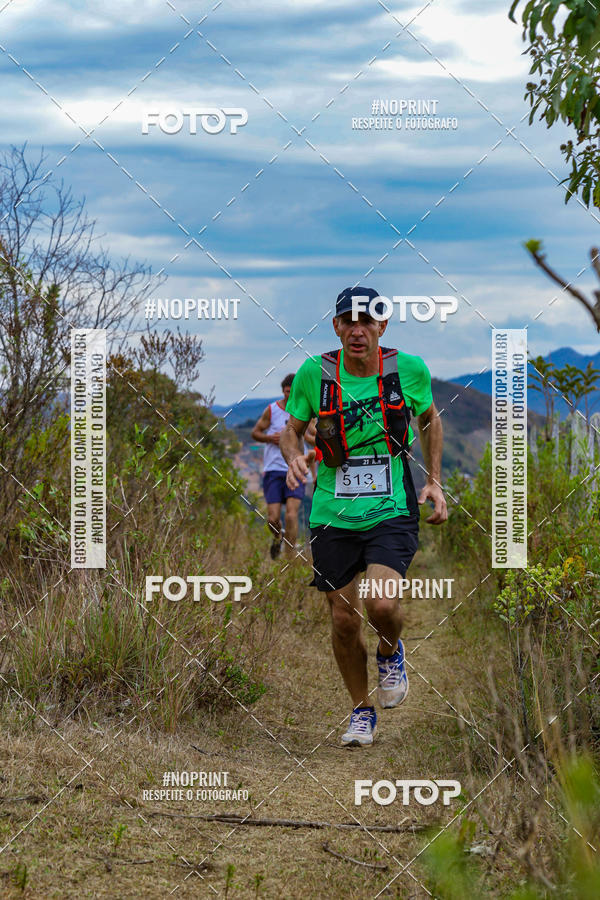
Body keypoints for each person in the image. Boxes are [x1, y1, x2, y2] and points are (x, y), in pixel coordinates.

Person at [280, 287, 447, 746]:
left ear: (382, 327)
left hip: (391, 508)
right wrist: (293, 455)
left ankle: (390, 652)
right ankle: (361, 710)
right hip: (332, 513)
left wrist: (433, 480)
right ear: (336, 326)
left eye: (367, 321)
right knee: (343, 619)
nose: (358, 329)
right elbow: (290, 431)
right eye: (348, 321)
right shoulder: (315, 373)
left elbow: (430, 418)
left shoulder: (408, 370)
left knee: (382, 604)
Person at [252, 374, 305, 558]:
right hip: (273, 469)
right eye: (286, 391)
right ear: (283, 390)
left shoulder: (302, 410)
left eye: (292, 392)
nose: (289, 395)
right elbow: (255, 433)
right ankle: (277, 538)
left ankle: (290, 557)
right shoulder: (272, 410)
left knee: (291, 515)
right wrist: (269, 438)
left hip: (294, 468)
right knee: (273, 518)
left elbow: (314, 433)